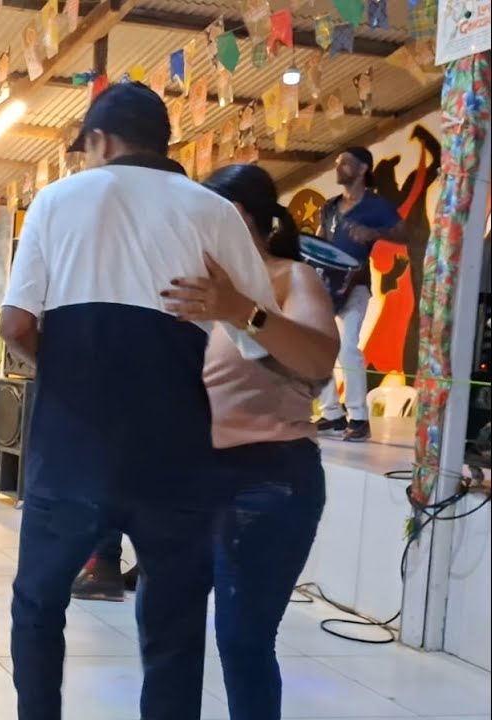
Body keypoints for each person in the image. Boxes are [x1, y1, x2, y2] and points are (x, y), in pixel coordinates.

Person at [0, 82, 278, 720]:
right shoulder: (214, 211)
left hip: (71, 448)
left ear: (99, 140)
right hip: (177, 451)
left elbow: (16, 326)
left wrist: (71, 372)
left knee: (39, 603)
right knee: (174, 622)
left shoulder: (56, 200)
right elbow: (260, 339)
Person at [161, 163, 338, 719]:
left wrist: (242, 310)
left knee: (242, 641)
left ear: (241, 217)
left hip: (269, 479)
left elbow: (317, 360)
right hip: (191, 483)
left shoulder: (289, 279)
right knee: (168, 634)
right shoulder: (192, 290)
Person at [312, 146, 405, 442]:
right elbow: (319, 241)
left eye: (345, 163)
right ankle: (332, 414)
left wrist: (375, 234)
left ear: (363, 169)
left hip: (357, 284)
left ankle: (359, 418)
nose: (338, 167)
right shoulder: (329, 207)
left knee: (348, 347)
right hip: (327, 285)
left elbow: (404, 233)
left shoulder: (377, 207)